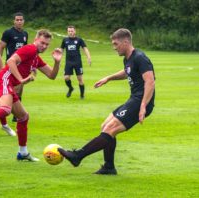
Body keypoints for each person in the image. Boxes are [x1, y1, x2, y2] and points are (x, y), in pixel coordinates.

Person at [58, 28, 155, 175]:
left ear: (126, 42)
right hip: (134, 99)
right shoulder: (128, 59)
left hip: (141, 101)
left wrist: (143, 106)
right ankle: (109, 167)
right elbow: (127, 72)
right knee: (105, 126)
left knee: (111, 128)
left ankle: (78, 156)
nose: (114, 47)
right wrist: (108, 78)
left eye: (116, 44)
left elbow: (150, 82)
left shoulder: (140, 57)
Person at [0, 29, 63, 162]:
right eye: (42, 42)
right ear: (35, 40)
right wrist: (21, 79)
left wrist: (57, 62)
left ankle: (23, 153)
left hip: (8, 84)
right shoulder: (30, 48)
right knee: (6, 109)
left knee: (23, 117)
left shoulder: (36, 58)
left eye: (47, 44)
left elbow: (52, 75)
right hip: (3, 80)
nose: (44, 46)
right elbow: (11, 61)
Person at [0, 12, 29, 122]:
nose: (19, 21)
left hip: (22, 66)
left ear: (23, 21)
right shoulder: (8, 33)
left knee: (20, 89)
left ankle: (16, 114)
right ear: (14, 21)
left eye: (21, 20)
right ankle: (1, 106)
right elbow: (0, 47)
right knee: (13, 89)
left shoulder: (25, 34)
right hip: (10, 65)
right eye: (17, 20)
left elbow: (26, 51)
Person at [60, 25, 91, 99]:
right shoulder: (65, 40)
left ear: (75, 31)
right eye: (69, 31)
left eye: (72, 31)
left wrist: (88, 57)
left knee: (80, 79)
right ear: (67, 32)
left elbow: (85, 48)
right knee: (66, 77)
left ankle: (82, 95)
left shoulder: (79, 40)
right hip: (68, 62)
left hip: (77, 62)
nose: (70, 32)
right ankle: (70, 88)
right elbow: (61, 50)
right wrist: (59, 60)